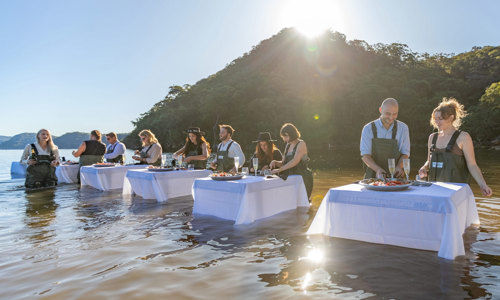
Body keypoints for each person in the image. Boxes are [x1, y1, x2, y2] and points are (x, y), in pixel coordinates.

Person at [418, 98, 493, 196]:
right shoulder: (432, 137)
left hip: (456, 193)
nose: (437, 122)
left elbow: (472, 165)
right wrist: (424, 168)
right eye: (435, 119)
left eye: (440, 119)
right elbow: (429, 160)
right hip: (434, 191)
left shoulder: (463, 137)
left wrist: (483, 185)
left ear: (451, 118)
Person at [360, 98, 411, 179]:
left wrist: (399, 166)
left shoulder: (403, 128)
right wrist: (378, 170)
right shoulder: (368, 129)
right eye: (388, 113)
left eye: (394, 114)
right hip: (373, 177)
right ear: (380, 110)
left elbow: (405, 154)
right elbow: (365, 156)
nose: (391, 117)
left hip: (395, 177)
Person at [270, 123, 313, 199]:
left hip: (302, 178)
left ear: (292, 134)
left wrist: (279, 170)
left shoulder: (301, 144)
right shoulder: (288, 145)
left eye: (286, 136)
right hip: (290, 178)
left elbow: (295, 161)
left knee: (302, 202)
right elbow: (284, 164)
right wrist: (275, 162)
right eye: (283, 137)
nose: (284, 139)